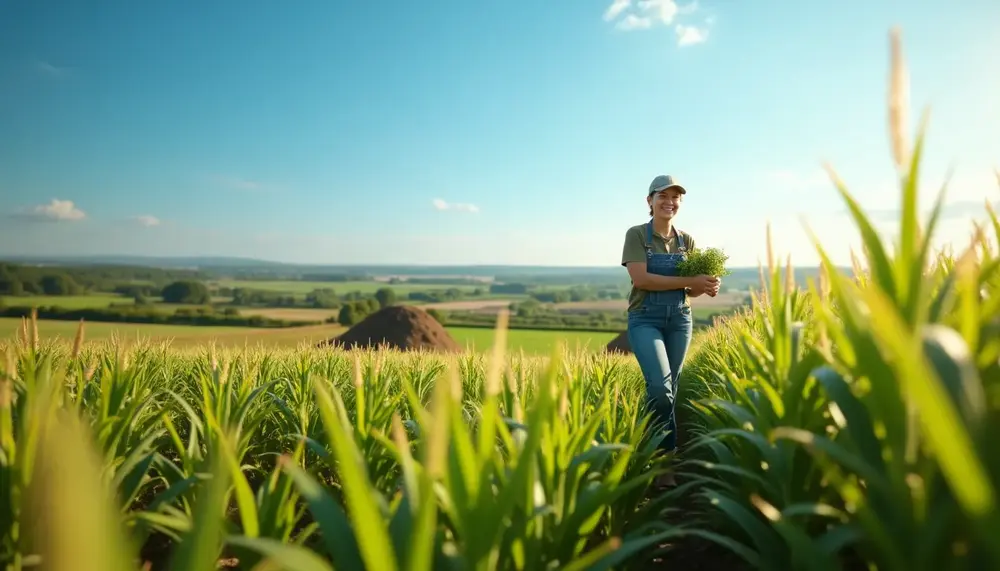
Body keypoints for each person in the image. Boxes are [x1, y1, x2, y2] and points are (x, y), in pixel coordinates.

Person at [620, 174, 720, 488]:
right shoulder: (637, 235)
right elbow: (642, 280)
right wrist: (689, 281)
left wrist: (705, 286)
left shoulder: (686, 240)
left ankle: (665, 460)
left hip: (679, 320)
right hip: (645, 318)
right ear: (649, 201)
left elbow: (689, 293)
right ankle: (657, 459)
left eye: (675, 197)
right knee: (660, 391)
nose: (670, 202)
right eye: (663, 196)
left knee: (670, 391)